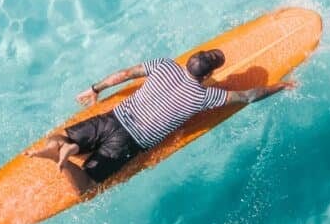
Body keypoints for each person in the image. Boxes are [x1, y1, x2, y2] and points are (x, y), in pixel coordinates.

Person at [25, 49, 295, 193]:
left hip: (112, 118)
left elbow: (127, 73)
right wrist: (281, 85)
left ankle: (64, 146)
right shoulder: (204, 96)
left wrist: (96, 89)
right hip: (128, 141)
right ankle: (59, 159)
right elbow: (248, 96)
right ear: (207, 76)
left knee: (62, 136)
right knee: (86, 187)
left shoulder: (165, 65)